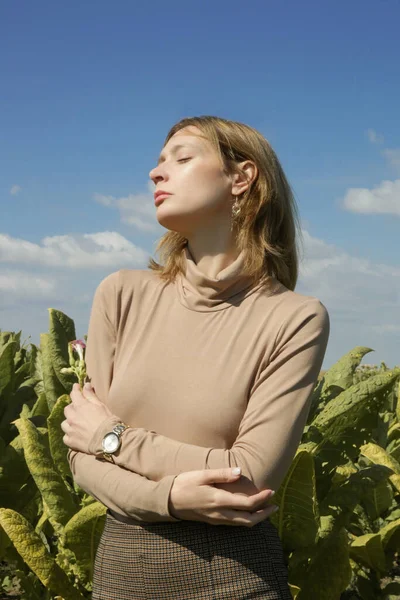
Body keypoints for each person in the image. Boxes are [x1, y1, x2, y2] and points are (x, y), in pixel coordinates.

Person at [62, 115, 330, 599]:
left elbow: (247, 479)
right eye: (159, 162)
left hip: (235, 582)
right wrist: (170, 498)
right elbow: (79, 456)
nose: (155, 173)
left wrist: (113, 437)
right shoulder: (121, 293)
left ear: (241, 178)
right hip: (120, 576)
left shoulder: (295, 318)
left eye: (182, 158)